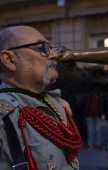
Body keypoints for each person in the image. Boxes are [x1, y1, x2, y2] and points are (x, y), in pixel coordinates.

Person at [0, 25, 82, 170]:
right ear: (9, 59)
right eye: (41, 48)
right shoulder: (4, 119)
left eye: (50, 48)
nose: (53, 55)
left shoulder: (55, 103)